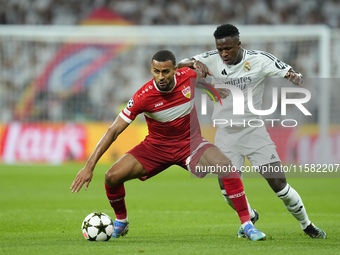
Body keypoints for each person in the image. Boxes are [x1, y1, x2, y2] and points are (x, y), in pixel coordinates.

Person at [70, 50, 266, 241]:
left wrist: (213, 90)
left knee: (225, 165)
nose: (161, 76)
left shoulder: (188, 75)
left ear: (175, 70)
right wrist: (89, 166)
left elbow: (199, 80)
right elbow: (113, 131)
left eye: (165, 71)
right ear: (152, 70)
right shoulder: (142, 97)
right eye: (156, 71)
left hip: (191, 143)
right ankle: (122, 220)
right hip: (155, 148)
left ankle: (247, 224)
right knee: (112, 177)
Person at [178, 24, 326, 239]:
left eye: (228, 48)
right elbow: (180, 65)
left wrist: (293, 76)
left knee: (278, 183)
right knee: (226, 187)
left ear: (239, 44)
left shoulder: (259, 59)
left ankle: (306, 224)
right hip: (226, 134)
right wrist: (194, 64)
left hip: (254, 131)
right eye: (220, 49)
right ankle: (249, 215)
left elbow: (287, 70)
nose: (223, 53)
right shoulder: (210, 59)